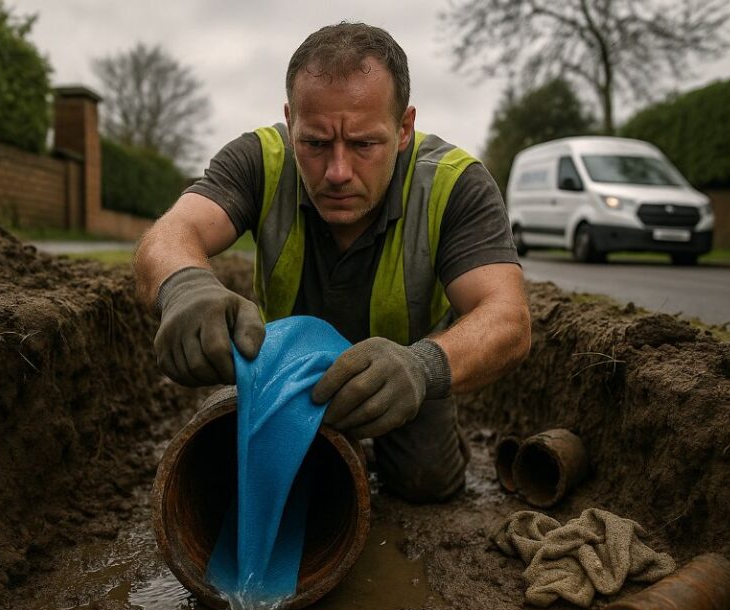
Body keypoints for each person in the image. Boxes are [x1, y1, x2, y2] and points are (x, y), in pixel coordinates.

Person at [134, 22, 530, 503]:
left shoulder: (455, 184)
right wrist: (185, 286)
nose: (338, 172)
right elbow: (174, 231)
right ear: (291, 118)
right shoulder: (260, 159)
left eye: (364, 144)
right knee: (270, 488)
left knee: (427, 485)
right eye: (316, 143)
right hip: (286, 372)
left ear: (404, 128)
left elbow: (507, 317)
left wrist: (423, 367)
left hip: (401, 376)